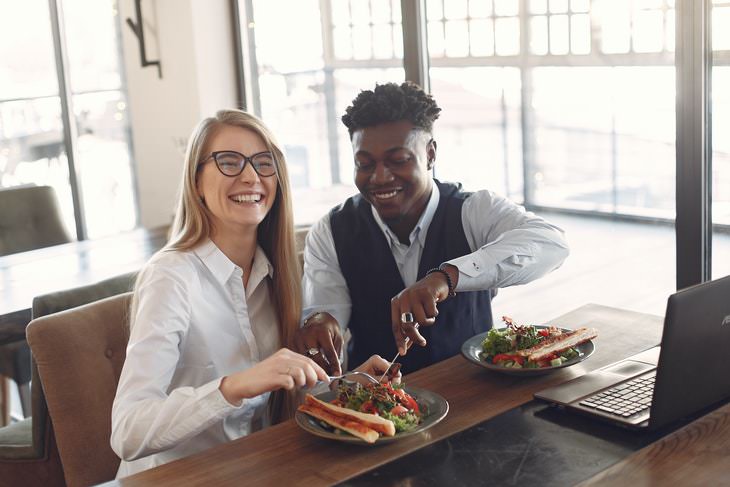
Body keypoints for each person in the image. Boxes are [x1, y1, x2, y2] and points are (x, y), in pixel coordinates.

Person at [111, 109, 394, 477]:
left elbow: (278, 396)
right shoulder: (171, 278)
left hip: (253, 470)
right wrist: (235, 386)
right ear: (196, 181)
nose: (250, 176)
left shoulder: (280, 272)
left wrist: (345, 388)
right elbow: (127, 432)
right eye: (229, 162)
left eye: (264, 163)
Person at [295, 82, 570, 375]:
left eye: (397, 160)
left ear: (430, 155)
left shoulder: (473, 210)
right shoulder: (332, 230)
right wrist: (320, 323)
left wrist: (447, 277)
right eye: (364, 164)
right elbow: (325, 309)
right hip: (379, 404)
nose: (379, 177)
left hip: (476, 390)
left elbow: (551, 243)